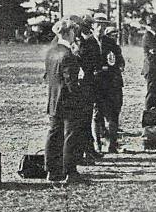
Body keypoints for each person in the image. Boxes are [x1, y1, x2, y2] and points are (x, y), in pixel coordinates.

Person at [44, 17, 88, 184]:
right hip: (68, 101)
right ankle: (70, 171)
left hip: (54, 99)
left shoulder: (51, 51)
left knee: (54, 134)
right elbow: (71, 83)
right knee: (70, 136)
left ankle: (51, 170)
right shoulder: (68, 54)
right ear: (69, 33)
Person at [91, 17, 125, 154]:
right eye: (98, 25)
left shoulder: (110, 43)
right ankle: (97, 145)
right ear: (93, 26)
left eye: (103, 26)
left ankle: (112, 145)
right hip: (95, 85)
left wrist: (116, 66)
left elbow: (120, 62)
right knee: (96, 115)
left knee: (113, 114)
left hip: (111, 84)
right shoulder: (87, 43)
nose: (100, 28)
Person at [76, 14, 105, 163]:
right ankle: (85, 151)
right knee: (83, 120)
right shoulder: (82, 42)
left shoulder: (89, 40)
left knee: (87, 119)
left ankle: (89, 149)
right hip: (84, 85)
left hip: (91, 84)